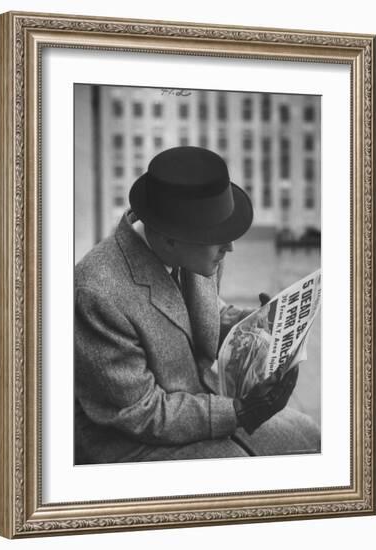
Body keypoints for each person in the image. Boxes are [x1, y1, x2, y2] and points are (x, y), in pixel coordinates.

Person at [74, 146, 320, 464]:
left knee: (311, 436)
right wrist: (240, 411)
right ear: (169, 237)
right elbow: (139, 413)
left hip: (199, 402)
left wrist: (252, 324)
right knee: (257, 476)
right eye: (218, 236)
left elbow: (197, 315)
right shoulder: (97, 291)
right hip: (130, 441)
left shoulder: (195, 253)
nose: (229, 247)